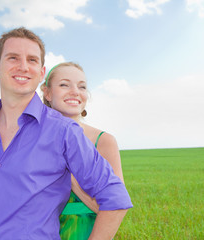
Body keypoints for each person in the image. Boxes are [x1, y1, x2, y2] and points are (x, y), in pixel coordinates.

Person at [0, 27, 132, 240]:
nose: (23, 67)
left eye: (32, 60)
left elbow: (115, 198)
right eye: (13, 58)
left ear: (41, 73)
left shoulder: (64, 131)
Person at [40, 62, 125, 239]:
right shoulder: (33, 140)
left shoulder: (103, 141)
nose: (75, 91)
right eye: (64, 84)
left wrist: (70, 176)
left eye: (82, 86)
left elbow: (115, 206)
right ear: (47, 92)